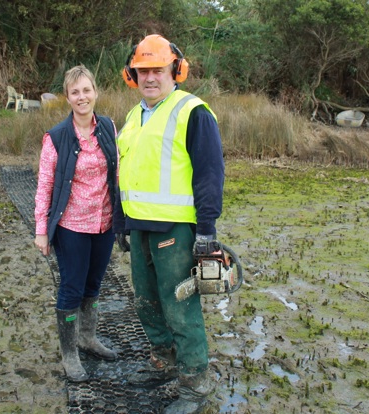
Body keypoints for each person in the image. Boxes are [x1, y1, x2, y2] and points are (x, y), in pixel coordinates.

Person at [114, 34, 225, 414]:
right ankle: (163, 360)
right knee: (146, 301)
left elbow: (210, 174)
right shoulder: (133, 116)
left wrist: (206, 232)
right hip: (140, 225)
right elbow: (125, 172)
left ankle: (195, 383)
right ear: (133, 75)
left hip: (177, 230)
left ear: (175, 71)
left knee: (179, 306)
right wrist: (121, 222)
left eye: (157, 70)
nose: (150, 78)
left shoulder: (192, 111)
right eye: (143, 71)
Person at [34, 65, 118, 382]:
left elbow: (118, 172)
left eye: (86, 90)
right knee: (71, 289)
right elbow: (44, 187)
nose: (82, 97)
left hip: (105, 224)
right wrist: (42, 231)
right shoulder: (56, 137)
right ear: (68, 97)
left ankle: (87, 338)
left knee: (93, 287)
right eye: (75, 92)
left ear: (95, 92)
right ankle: (70, 353)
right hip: (71, 227)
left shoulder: (108, 127)